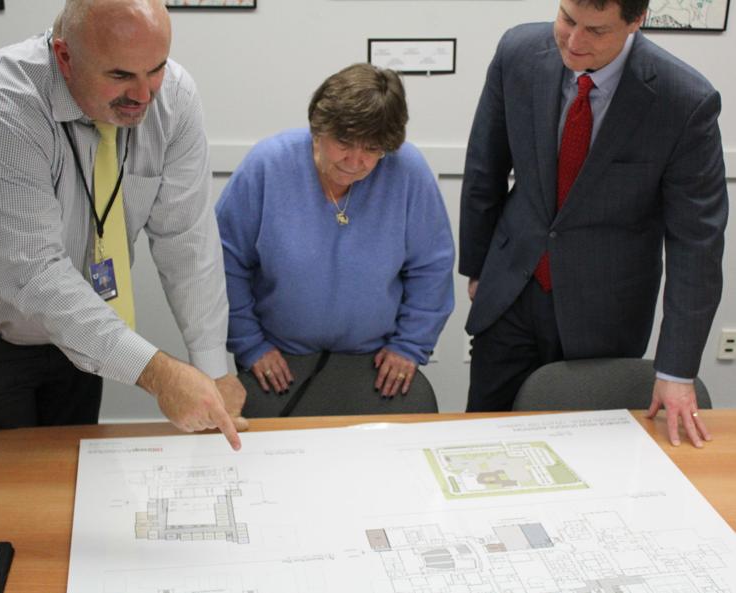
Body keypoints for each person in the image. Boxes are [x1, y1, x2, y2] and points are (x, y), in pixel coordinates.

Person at [460, 0, 727, 447]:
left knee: (586, 455)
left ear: (636, 21)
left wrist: (676, 369)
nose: (574, 41)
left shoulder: (683, 100)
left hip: (605, 313)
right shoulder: (518, 52)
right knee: (484, 443)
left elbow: (697, 243)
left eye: (597, 31)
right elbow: (484, 166)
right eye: (567, 19)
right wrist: (477, 268)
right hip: (511, 291)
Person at [0, 0, 247, 448]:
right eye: (121, 75)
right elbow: (34, 273)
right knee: (9, 481)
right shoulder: (4, 105)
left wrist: (212, 370)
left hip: (86, 341)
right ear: (65, 57)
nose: (144, 95)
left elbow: (187, 241)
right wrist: (159, 374)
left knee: (73, 471)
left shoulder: (175, 98)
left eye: (156, 68)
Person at [216, 63, 455, 417]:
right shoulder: (267, 165)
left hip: (373, 364)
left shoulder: (408, 171)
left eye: (372, 149)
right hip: (278, 361)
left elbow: (432, 267)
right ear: (318, 128)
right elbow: (225, 262)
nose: (355, 161)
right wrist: (249, 344)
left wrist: (410, 345)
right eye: (343, 143)